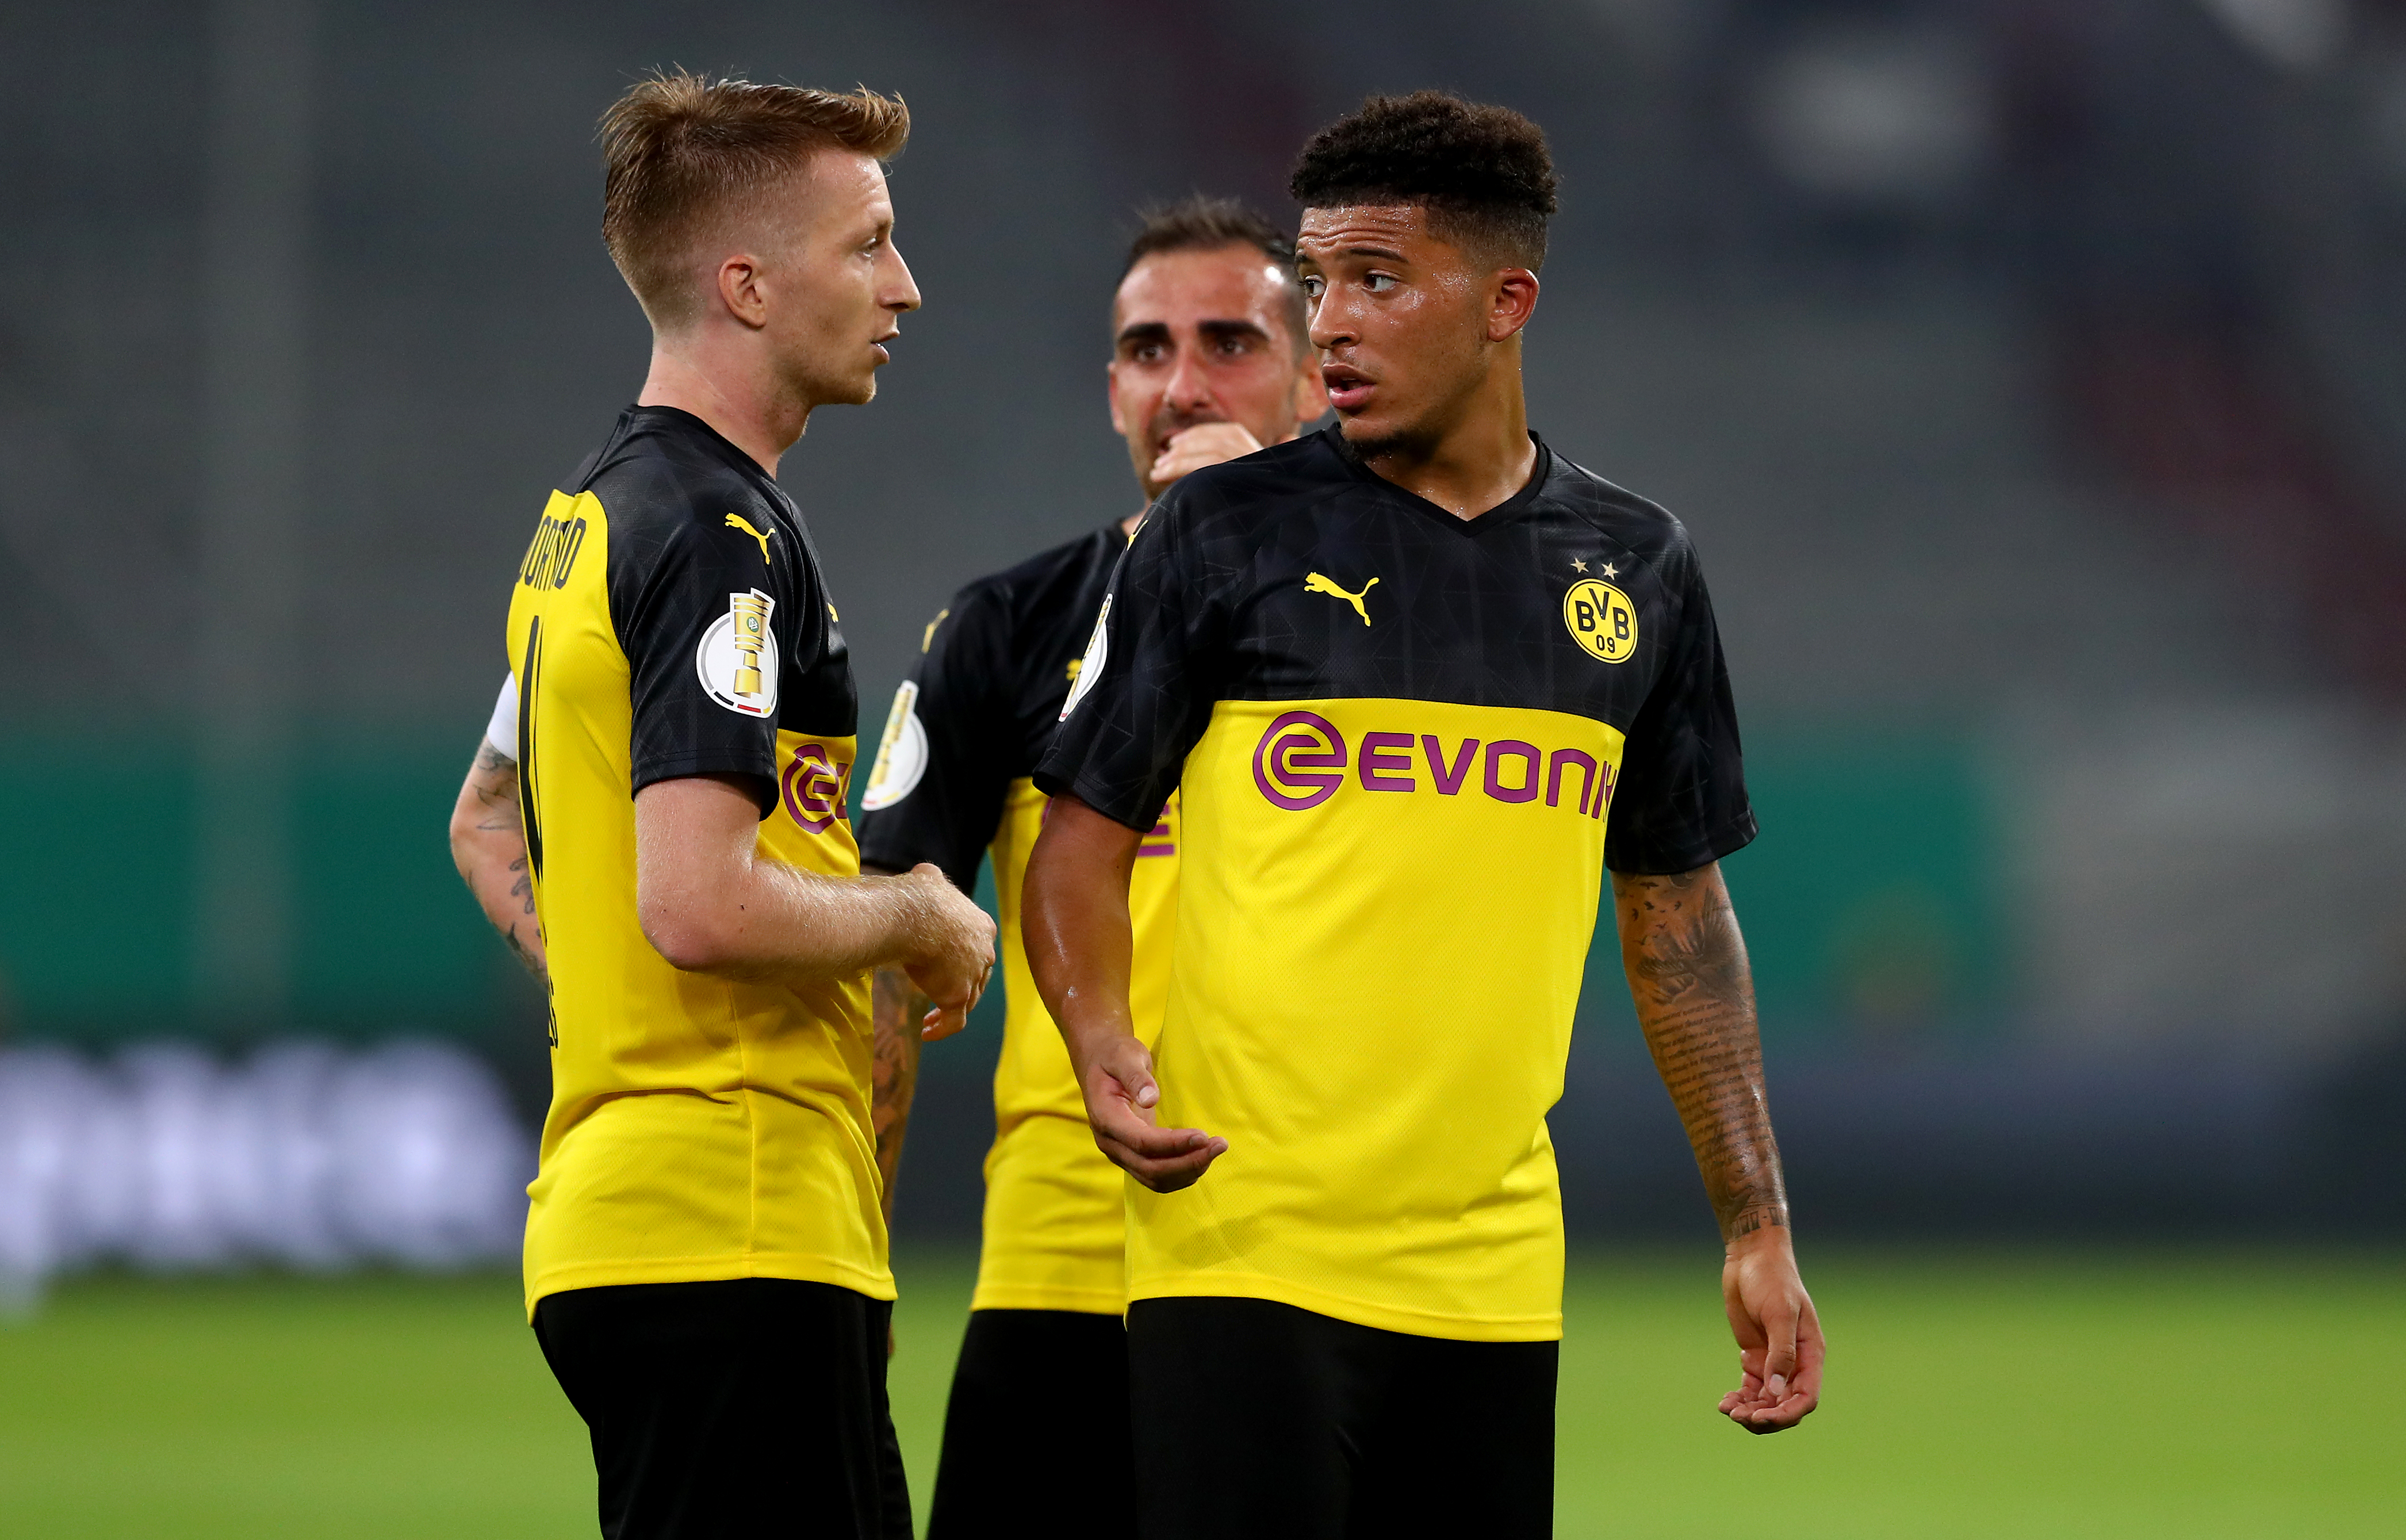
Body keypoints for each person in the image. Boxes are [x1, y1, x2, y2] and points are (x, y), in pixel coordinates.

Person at [1022, 92, 1825, 1540]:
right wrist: (1101, 1046)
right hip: (1238, 1241)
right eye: (1320, 281)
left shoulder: (1634, 566)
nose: (1331, 321)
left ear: (1507, 299)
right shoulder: (1226, 534)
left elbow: (1677, 913)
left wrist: (1756, 1222)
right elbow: (1078, 834)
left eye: (1379, 281)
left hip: (1492, 1265)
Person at [450, 71, 996, 1540]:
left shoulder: (585, 520)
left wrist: (605, 988)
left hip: (620, 1220)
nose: (908, 286)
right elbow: (696, 902)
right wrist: (917, 912)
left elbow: (486, 819)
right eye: (869, 243)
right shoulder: (719, 536)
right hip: (734, 1222)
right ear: (748, 285)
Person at [854, 196, 1325, 1538]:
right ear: (1110, 387)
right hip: (1059, 1268)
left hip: (1311, 1261)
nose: (1183, 385)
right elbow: (894, 955)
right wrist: (857, 1263)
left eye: (1230, 341)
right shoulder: (1006, 628)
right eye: (1146, 348)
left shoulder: (1397, 629)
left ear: (1311, 373)